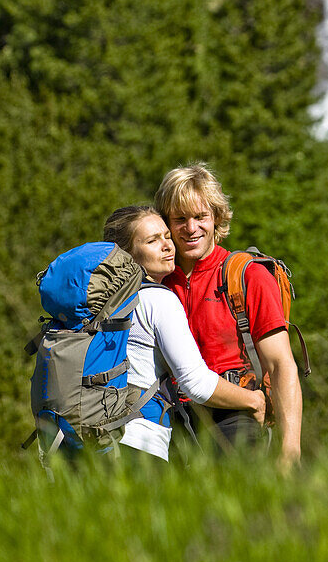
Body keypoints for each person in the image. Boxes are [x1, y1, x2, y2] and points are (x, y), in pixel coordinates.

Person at [154, 163, 302, 469]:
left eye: (200, 217)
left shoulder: (247, 276)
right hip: (172, 422)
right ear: (166, 224)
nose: (191, 228)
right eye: (179, 219)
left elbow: (280, 363)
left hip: (236, 417)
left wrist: (290, 450)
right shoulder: (157, 282)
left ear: (217, 217)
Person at [102, 205, 266, 463]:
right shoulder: (157, 299)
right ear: (127, 254)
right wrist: (254, 400)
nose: (167, 246)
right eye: (152, 240)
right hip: (139, 441)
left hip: (92, 440)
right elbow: (196, 384)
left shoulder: (100, 302)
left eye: (167, 236)